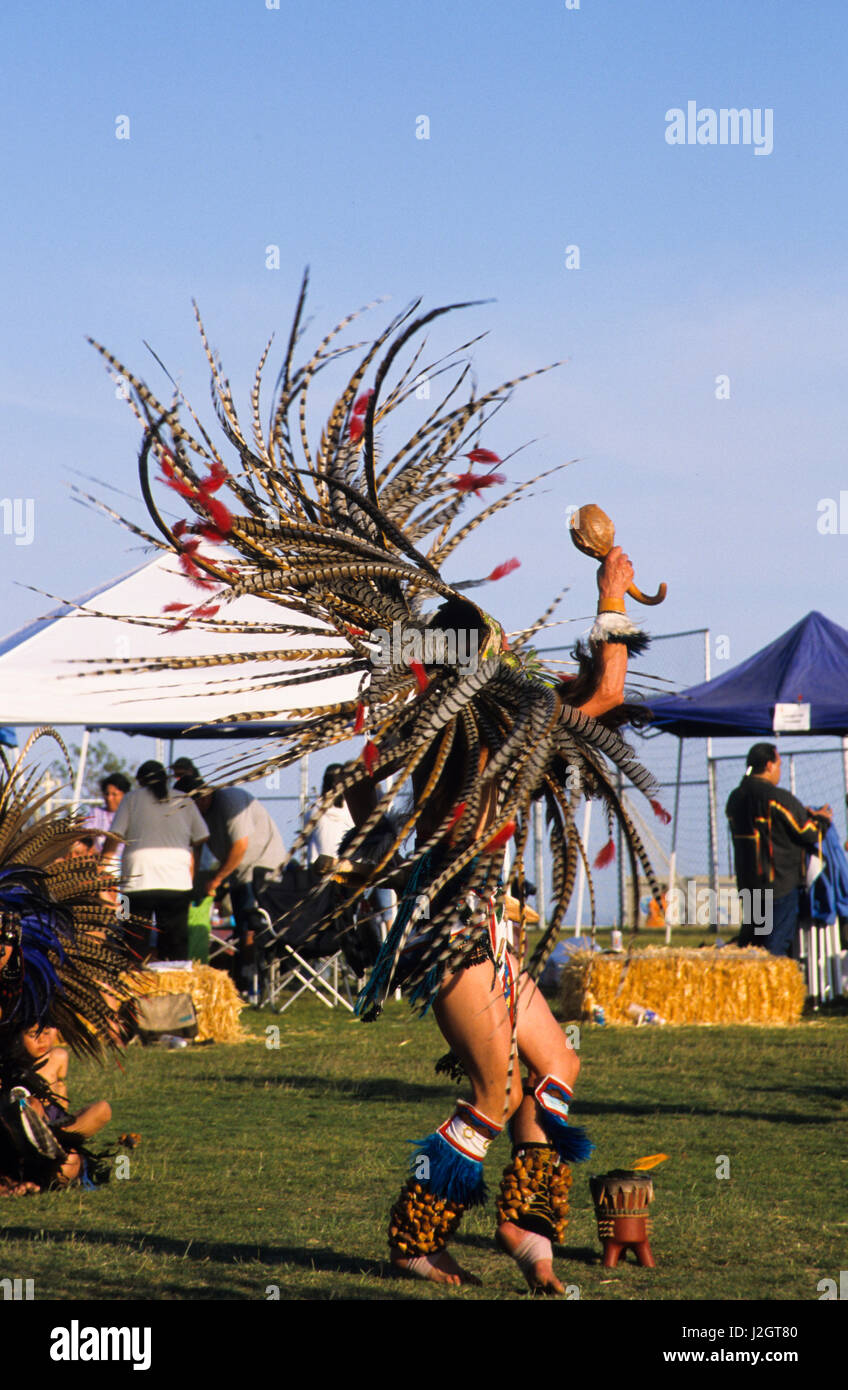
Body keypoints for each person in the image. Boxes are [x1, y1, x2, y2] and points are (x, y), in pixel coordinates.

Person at [95, 285, 667, 1294]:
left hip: (488, 929)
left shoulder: (490, 715)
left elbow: (579, 693)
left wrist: (598, 597)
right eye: (486, 642)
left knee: (557, 1071)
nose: (502, 647)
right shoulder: (467, 734)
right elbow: (603, 692)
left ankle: (528, 1234)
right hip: (452, 931)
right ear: (465, 669)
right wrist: (609, 591)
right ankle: (414, 1231)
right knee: (492, 1092)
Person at [177, 773, 285, 989]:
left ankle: (253, 982)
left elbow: (240, 846)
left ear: (202, 797)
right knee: (240, 928)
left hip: (261, 868)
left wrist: (216, 879)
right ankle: (243, 979)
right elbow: (196, 850)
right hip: (237, 872)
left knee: (251, 928)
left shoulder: (230, 802)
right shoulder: (197, 814)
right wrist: (189, 885)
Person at [725, 743, 832, 956]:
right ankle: (772, 988)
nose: (780, 771)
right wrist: (821, 819)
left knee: (752, 945)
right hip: (778, 886)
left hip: (749, 885)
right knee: (775, 948)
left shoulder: (736, 798)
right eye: (779, 764)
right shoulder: (776, 798)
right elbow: (809, 832)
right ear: (769, 765)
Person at [103, 761, 209, 961]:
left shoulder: (131, 799)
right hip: (177, 884)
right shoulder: (184, 799)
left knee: (132, 938)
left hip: (133, 885)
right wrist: (192, 869)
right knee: (175, 943)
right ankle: (175, 983)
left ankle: (133, 981)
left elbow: (114, 837)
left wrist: (103, 867)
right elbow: (201, 836)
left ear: (140, 781)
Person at [85, 772, 131, 851]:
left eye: (114, 794)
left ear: (125, 795)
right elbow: (86, 837)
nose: (109, 798)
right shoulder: (95, 814)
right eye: (107, 794)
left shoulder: (131, 816)